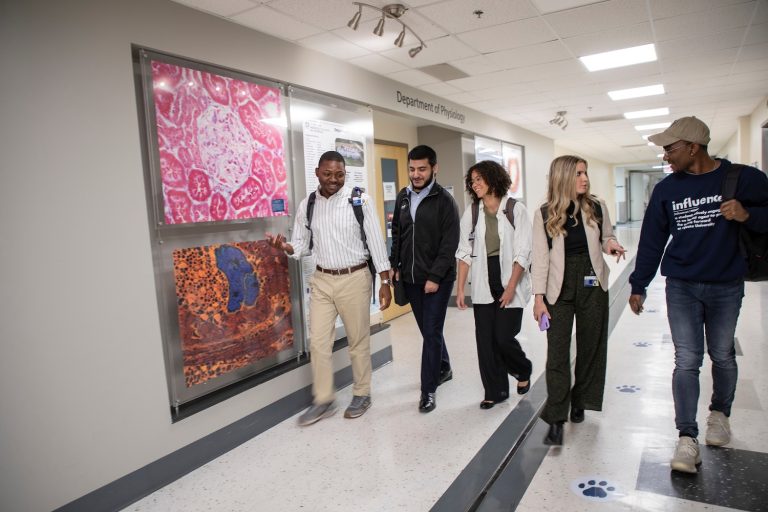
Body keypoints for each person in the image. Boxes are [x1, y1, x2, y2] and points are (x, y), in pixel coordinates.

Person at [628, 116, 768, 473]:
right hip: (682, 285)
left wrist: (747, 214)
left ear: (693, 147)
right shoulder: (666, 189)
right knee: (687, 359)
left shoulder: (742, 178)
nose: (666, 157)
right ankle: (686, 437)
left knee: (722, 354)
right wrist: (639, 284)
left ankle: (720, 414)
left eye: (670, 149)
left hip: (726, 284)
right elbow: (652, 240)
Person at [267, 150, 392, 426]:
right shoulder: (308, 204)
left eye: (339, 174)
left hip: (354, 277)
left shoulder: (359, 200)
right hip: (322, 280)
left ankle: (362, 393)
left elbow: (375, 242)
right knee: (319, 342)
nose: (334, 179)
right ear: (317, 173)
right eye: (328, 174)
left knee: (357, 341)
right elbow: (299, 245)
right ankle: (324, 400)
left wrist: (385, 281)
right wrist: (285, 247)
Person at [531, 155, 625, 445]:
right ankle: (556, 417)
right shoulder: (545, 213)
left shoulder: (597, 206)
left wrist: (612, 245)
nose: (584, 179)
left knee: (591, 346)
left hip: (592, 281)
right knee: (557, 352)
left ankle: (581, 400)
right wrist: (538, 299)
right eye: (578, 174)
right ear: (563, 178)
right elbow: (541, 258)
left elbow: (606, 236)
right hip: (558, 286)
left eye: (585, 173)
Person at [455, 160, 533, 409]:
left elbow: (523, 252)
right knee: (485, 341)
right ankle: (495, 391)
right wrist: (459, 290)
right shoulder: (473, 211)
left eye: (479, 179)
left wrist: (511, 287)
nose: (474, 184)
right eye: (472, 180)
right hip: (482, 280)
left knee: (503, 338)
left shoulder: (515, 209)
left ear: (493, 179)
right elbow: (464, 251)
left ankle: (523, 369)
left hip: (511, 277)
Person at [389, 145, 460, 413]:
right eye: (412, 169)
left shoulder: (444, 201)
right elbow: (397, 232)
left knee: (430, 332)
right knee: (429, 330)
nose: (416, 174)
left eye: (422, 169)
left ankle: (428, 390)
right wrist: (395, 264)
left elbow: (448, 244)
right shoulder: (403, 197)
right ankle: (444, 366)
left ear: (434, 168)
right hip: (410, 277)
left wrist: (434, 277)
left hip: (437, 280)